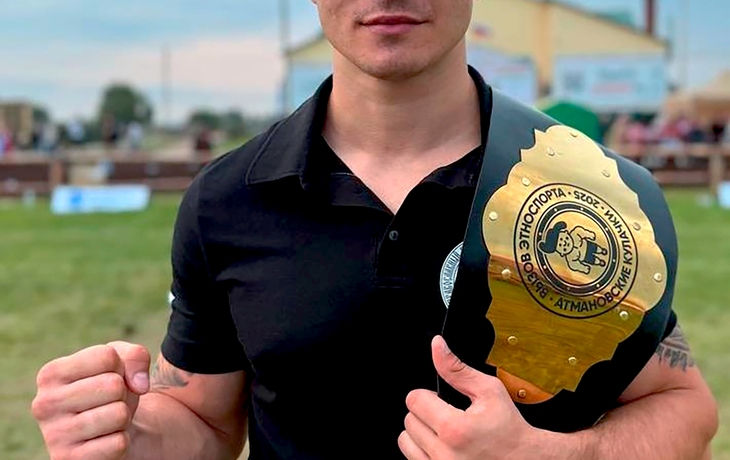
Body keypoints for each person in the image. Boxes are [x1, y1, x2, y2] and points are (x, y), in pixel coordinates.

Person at [31, 1, 718, 459]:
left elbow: (682, 408)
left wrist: (555, 456)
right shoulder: (225, 200)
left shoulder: (577, 190)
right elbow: (204, 421)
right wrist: (127, 434)